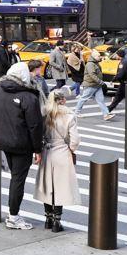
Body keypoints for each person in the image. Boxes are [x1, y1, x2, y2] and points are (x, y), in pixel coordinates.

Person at [0, 62, 44, 230]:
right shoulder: (29, 97)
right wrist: (37, 149)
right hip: (21, 144)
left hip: (3, 141)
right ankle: (13, 216)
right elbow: (35, 126)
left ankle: (13, 214)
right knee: (18, 179)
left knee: (15, 177)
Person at [34, 90, 81, 233]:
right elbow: (75, 140)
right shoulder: (69, 115)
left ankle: (48, 219)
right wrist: (71, 149)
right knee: (60, 188)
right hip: (62, 152)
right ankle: (56, 222)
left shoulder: (44, 114)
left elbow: (37, 133)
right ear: (63, 100)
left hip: (47, 151)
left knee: (47, 186)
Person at [73, 50, 115, 121]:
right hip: (91, 85)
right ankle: (76, 112)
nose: (100, 57)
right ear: (94, 56)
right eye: (98, 56)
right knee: (84, 98)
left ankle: (106, 114)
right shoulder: (90, 64)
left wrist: (100, 82)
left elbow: (98, 74)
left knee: (100, 100)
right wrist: (101, 82)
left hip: (96, 85)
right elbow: (92, 75)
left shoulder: (95, 63)